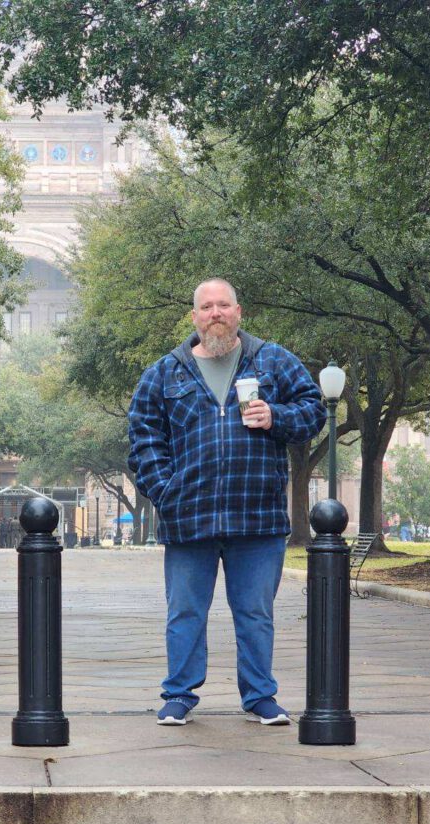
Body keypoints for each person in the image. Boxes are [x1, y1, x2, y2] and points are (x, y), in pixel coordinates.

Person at [128, 278, 326, 726]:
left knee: (255, 614)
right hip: (189, 519)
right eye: (206, 307)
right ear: (194, 316)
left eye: (223, 305)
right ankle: (178, 695)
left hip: (257, 518)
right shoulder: (164, 373)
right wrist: (166, 492)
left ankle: (260, 697)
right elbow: (143, 438)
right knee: (185, 613)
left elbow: (314, 410)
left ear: (239, 312)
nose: (215, 313)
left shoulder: (274, 361)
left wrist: (276, 416)